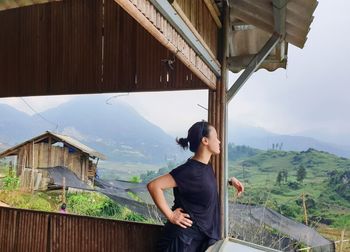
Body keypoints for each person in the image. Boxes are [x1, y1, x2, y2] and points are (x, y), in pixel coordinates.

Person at [147, 121, 244, 252]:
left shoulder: (206, 167)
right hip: (180, 242)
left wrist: (229, 181)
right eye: (215, 137)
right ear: (205, 140)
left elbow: (203, 186)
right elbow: (154, 186)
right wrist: (171, 215)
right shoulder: (189, 170)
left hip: (193, 241)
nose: (219, 141)